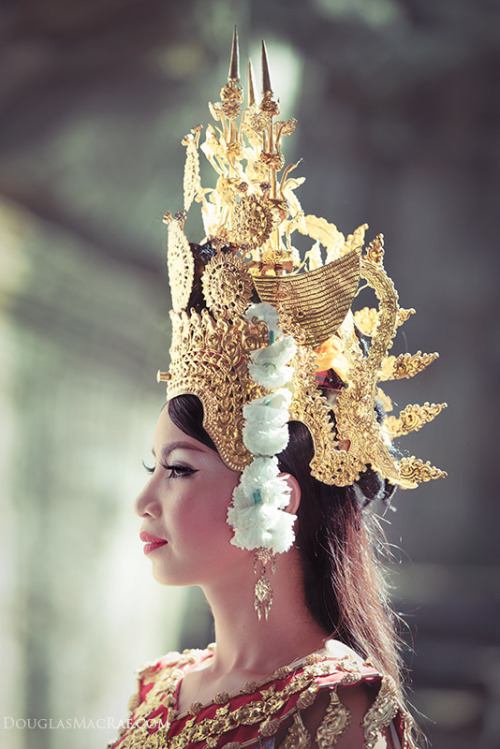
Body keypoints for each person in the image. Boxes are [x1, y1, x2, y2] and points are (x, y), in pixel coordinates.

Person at [107, 31, 446, 749]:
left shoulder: (340, 713)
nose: (145, 499)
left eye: (177, 470)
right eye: (153, 466)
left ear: (276, 497)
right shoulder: (159, 688)